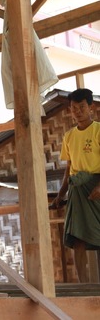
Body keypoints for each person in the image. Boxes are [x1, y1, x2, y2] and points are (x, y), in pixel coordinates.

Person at [50, 88, 100, 283]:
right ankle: (84, 285)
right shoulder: (69, 136)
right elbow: (69, 168)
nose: (78, 112)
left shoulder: (98, 130)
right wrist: (61, 194)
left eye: (82, 107)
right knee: (77, 237)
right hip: (77, 189)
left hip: (96, 186)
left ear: (91, 107)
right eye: (74, 108)